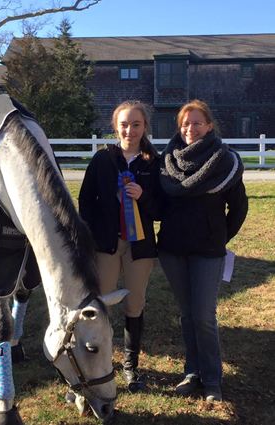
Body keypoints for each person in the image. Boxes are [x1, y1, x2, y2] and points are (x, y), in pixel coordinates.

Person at [158, 99, 248, 402]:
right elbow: (159, 206)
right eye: (185, 123)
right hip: (172, 250)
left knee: (204, 315)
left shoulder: (225, 161)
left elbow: (238, 208)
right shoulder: (167, 161)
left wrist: (218, 236)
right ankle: (192, 371)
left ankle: (212, 380)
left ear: (209, 125)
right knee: (187, 314)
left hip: (208, 252)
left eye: (197, 122)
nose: (190, 128)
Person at [78, 100, 162, 392]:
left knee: (134, 303)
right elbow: (86, 201)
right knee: (101, 304)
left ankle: (130, 366)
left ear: (144, 127)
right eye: (124, 124)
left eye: (136, 124)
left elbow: (163, 209)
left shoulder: (154, 162)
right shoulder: (102, 160)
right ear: (116, 127)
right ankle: (100, 362)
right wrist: (95, 234)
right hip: (107, 246)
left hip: (140, 246)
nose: (130, 130)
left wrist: (143, 198)